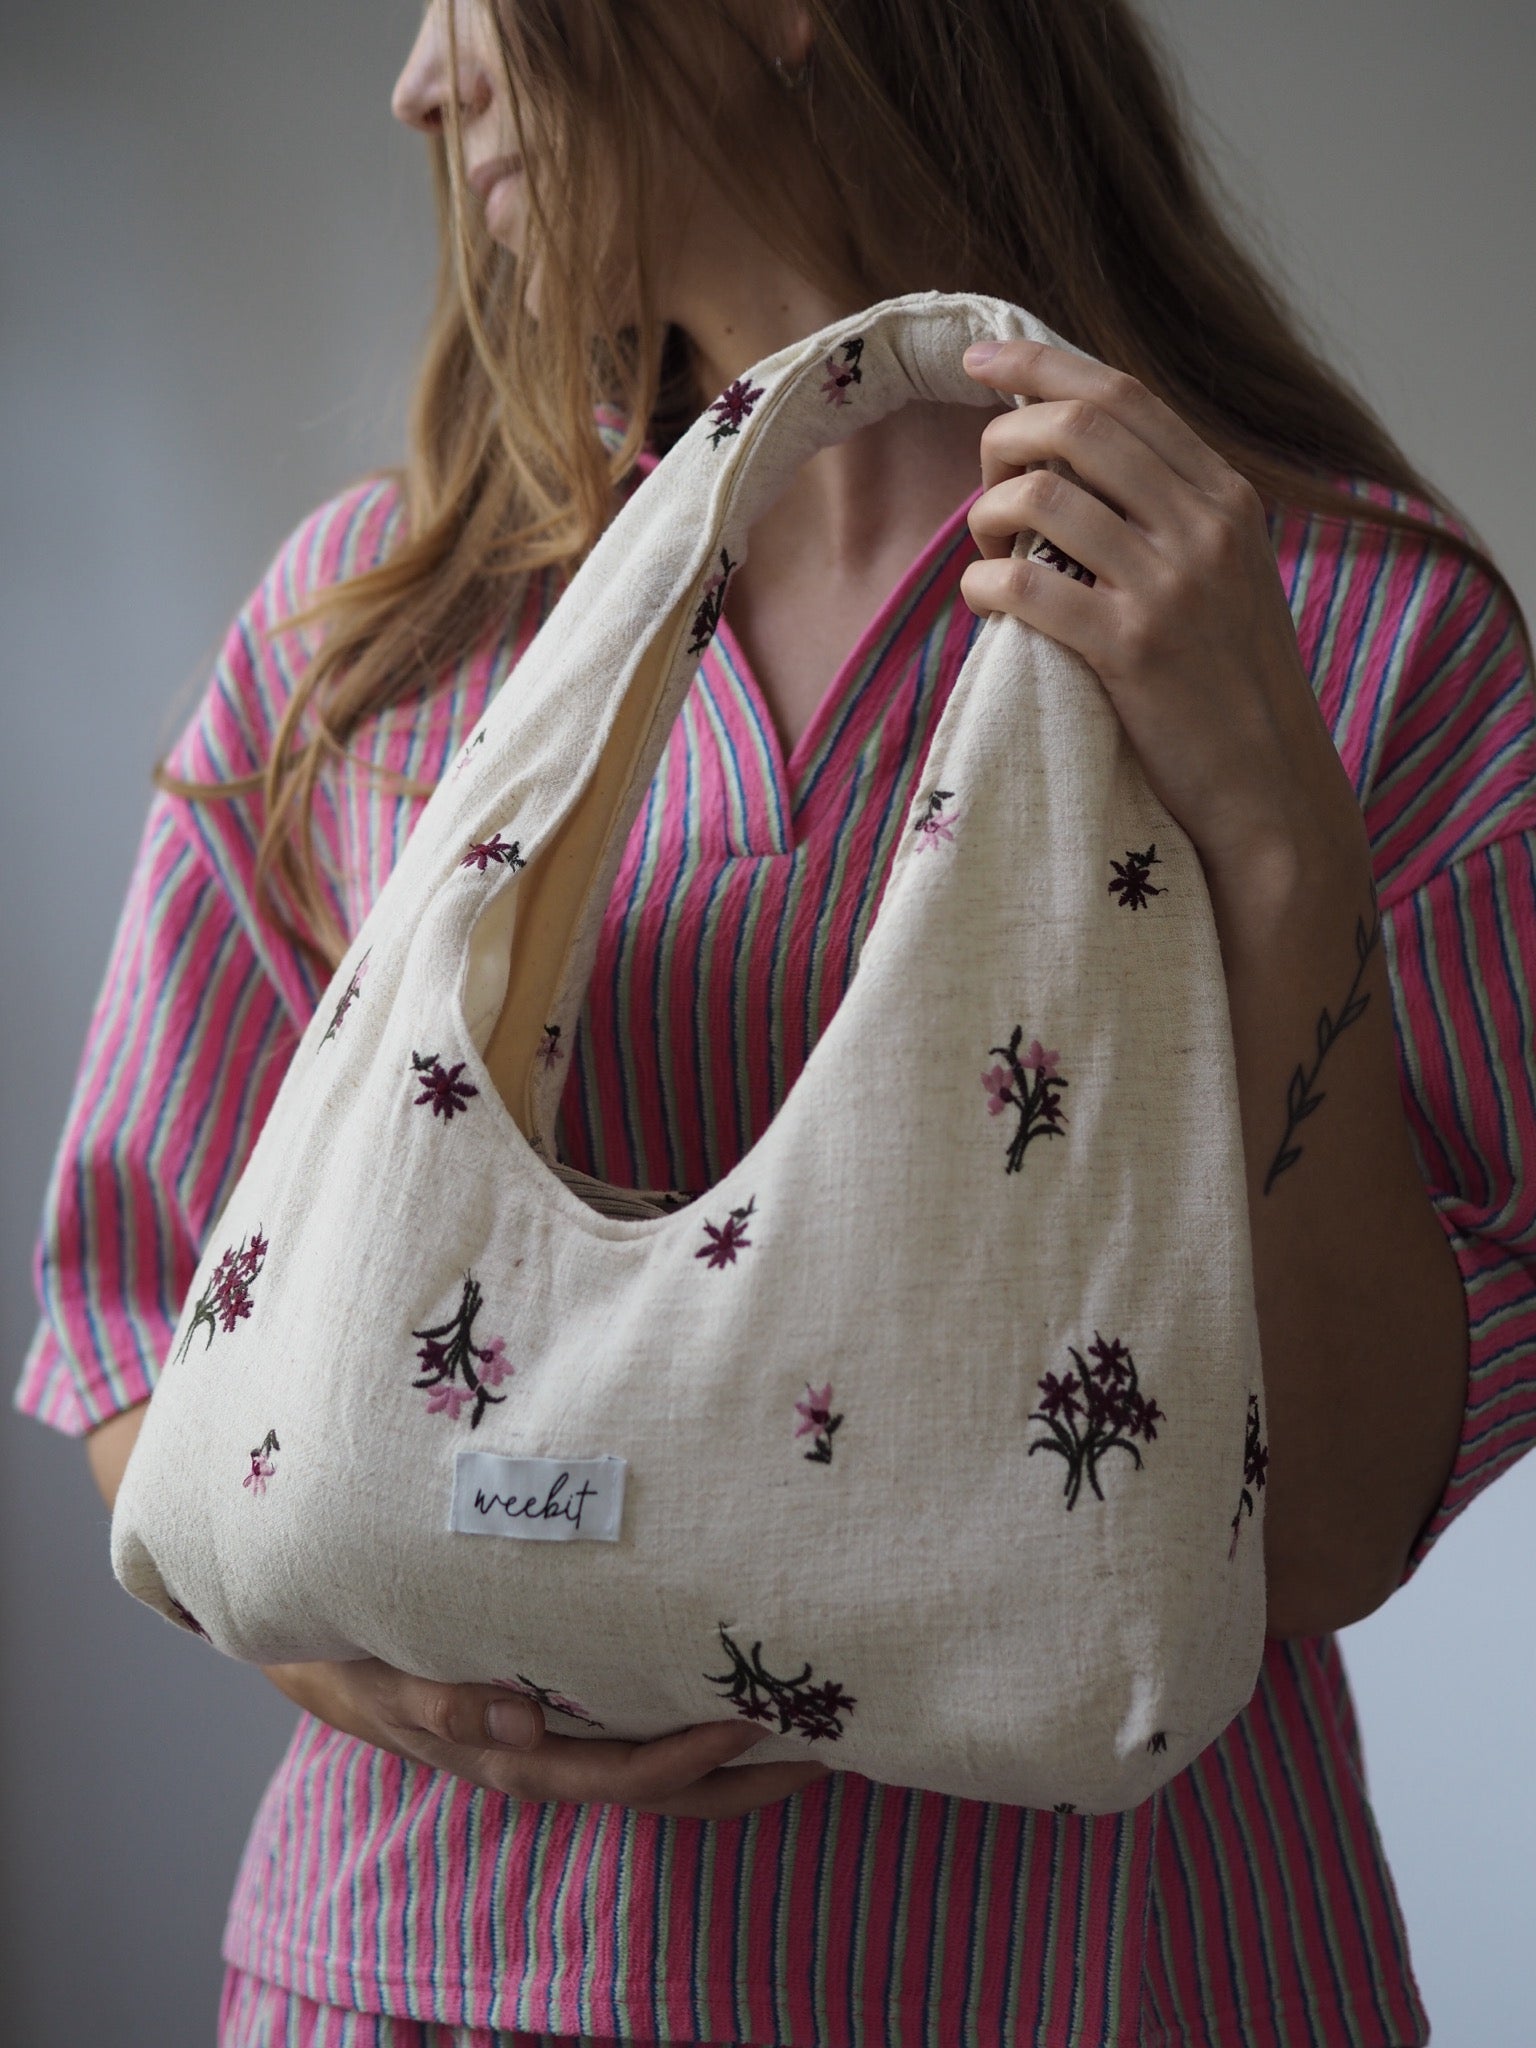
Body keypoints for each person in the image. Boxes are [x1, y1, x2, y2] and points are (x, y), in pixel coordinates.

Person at [15, 1, 1536, 2042]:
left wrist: (1272, 826)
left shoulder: (1345, 635)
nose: (419, 79)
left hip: (1100, 1987)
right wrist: (373, 1678)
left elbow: (1336, 1527)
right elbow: (140, 1329)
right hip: (430, 1972)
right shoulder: (376, 632)